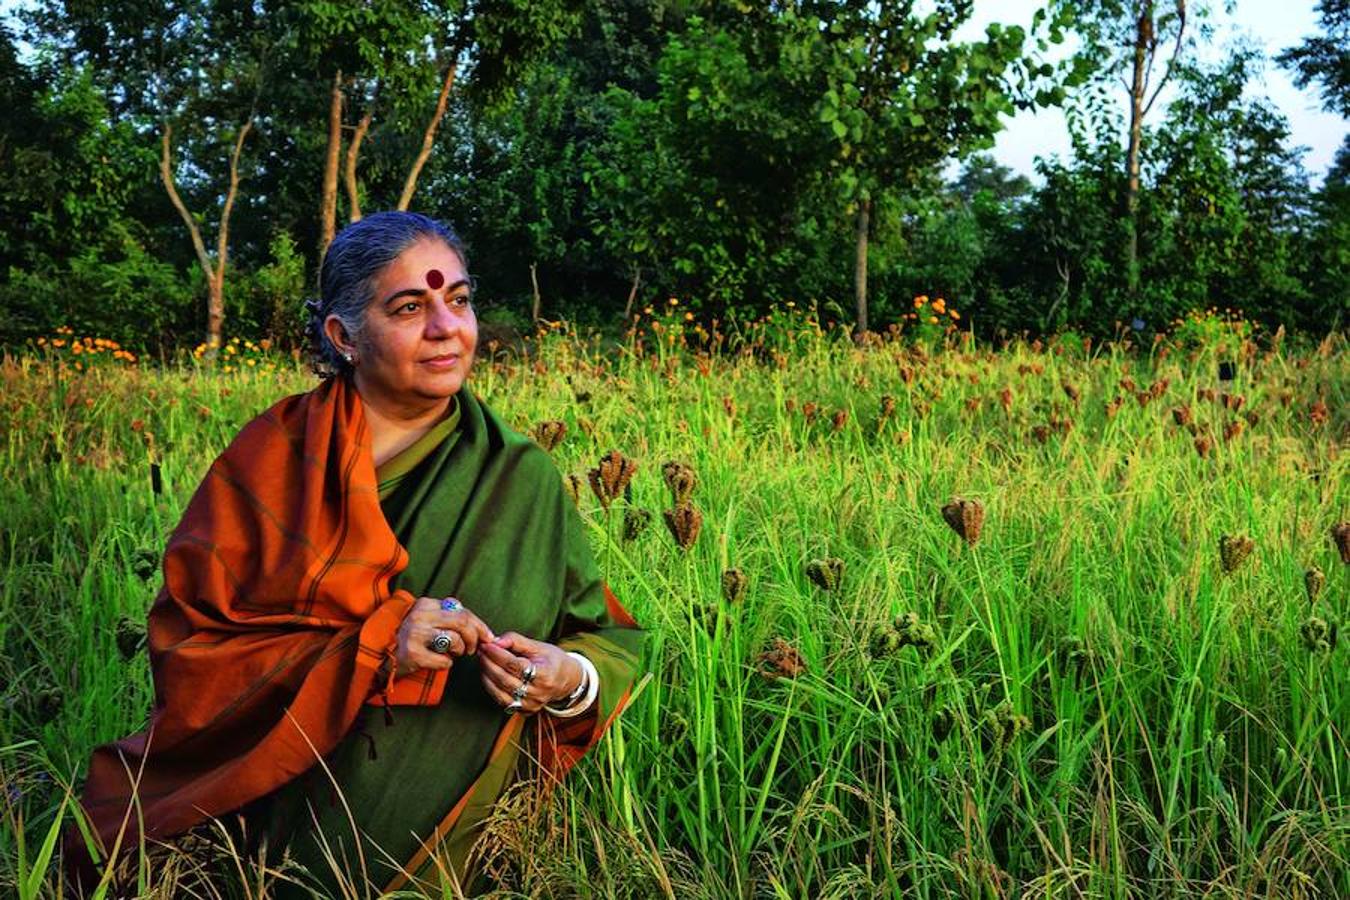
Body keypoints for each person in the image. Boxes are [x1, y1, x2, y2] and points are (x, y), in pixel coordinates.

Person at [68, 211, 644, 896]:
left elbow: (608, 636)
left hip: (449, 851)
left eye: (458, 300)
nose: (446, 328)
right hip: (264, 827)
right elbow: (191, 649)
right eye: (409, 307)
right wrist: (375, 648)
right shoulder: (274, 463)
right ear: (344, 335)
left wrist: (570, 677)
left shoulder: (519, 477)